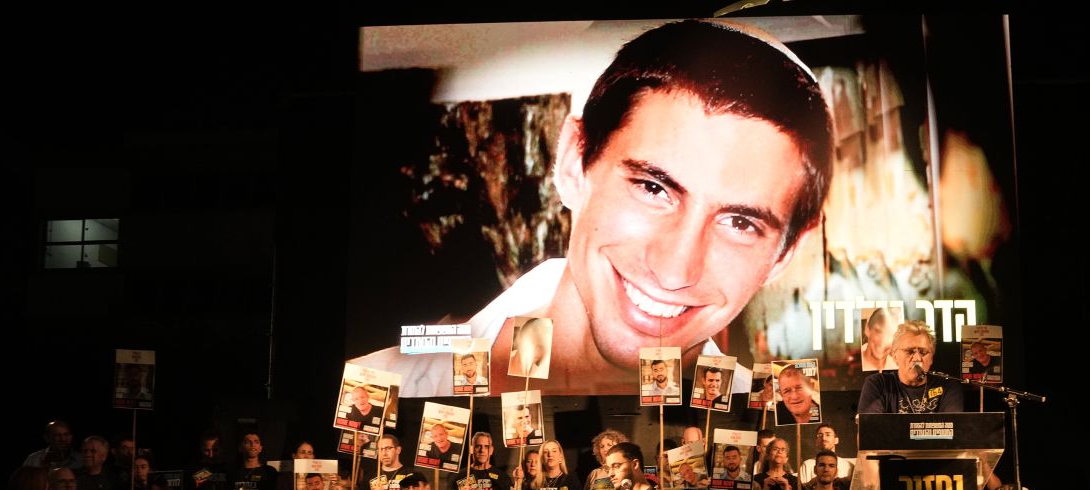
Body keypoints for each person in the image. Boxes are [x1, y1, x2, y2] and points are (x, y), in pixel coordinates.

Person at [352, 19, 834, 399]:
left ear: (786, 253)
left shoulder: (779, 439)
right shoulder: (377, 388)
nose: (674, 271)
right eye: (653, 188)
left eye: (740, 222)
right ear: (573, 163)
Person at [859, 320, 965, 414]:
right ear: (895, 356)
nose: (917, 358)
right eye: (909, 351)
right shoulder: (878, 384)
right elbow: (870, 428)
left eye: (923, 352)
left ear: (931, 358)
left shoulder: (948, 387)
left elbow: (952, 429)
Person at [860, 307, 898, 373]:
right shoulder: (854, 364)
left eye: (890, 335)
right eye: (878, 332)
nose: (883, 342)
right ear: (867, 329)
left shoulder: (897, 367)